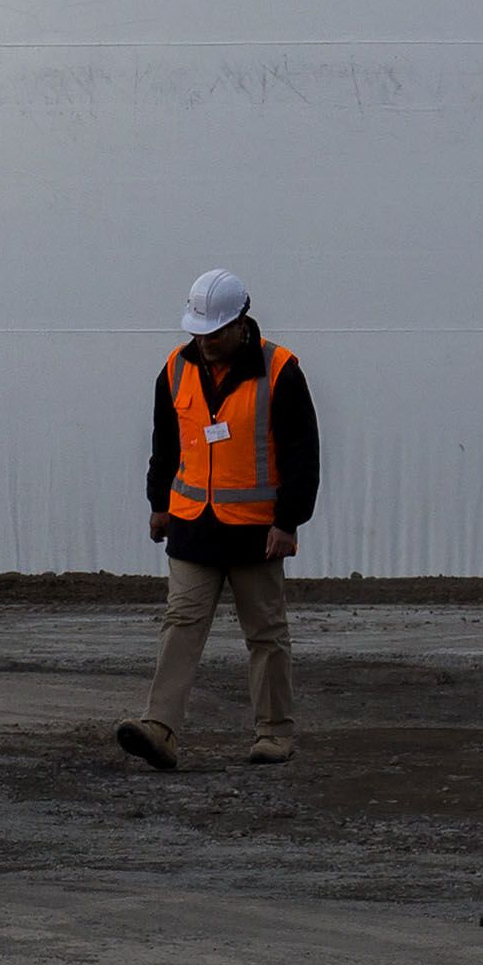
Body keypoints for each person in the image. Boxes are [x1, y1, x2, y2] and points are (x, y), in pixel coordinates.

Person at [118, 268, 317, 770]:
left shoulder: (281, 370)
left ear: (240, 323)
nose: (203, 342)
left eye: (213, 333)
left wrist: (288, 522)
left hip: (256, 532)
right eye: (197, 333)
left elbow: (302, 454)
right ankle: (159, 728)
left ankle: (273, 734)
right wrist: (158, 504)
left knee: (266, 633)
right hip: (191, 524)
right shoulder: (175, 368)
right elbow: (165, 443)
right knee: (180, 622)